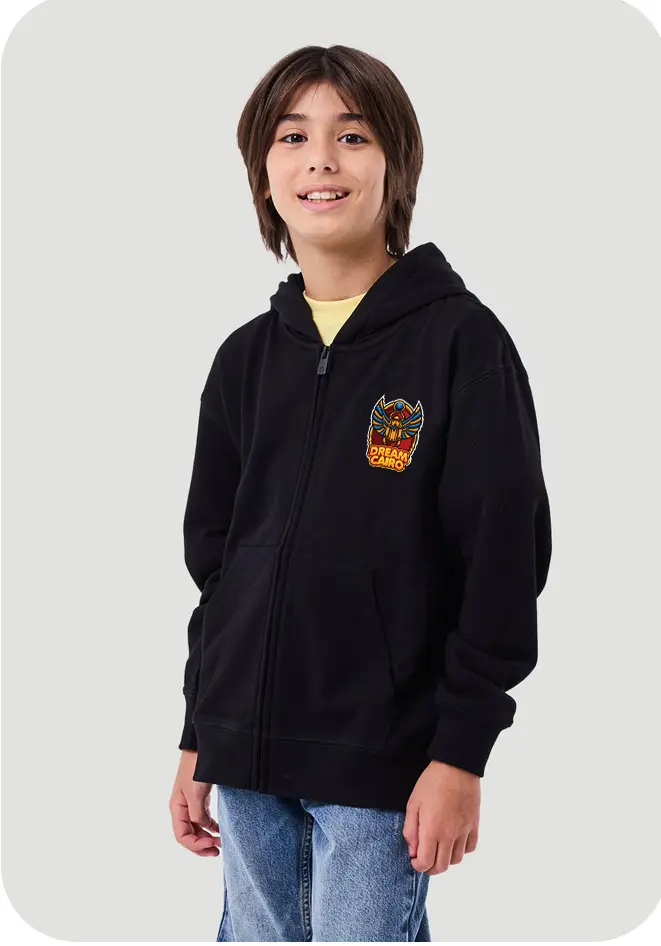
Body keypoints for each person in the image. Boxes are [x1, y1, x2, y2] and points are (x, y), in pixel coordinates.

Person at [169, 44, 552, 942]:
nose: (320, 161)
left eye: (351, 136)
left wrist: (460, 754)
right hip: (248, 761)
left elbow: (502, 562)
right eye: (291, 137)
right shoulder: (245, 360)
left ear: (395, 163)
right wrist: (199, 734)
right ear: (262, 171)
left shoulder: (460, 345)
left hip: (383, 768)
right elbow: (218, 570)